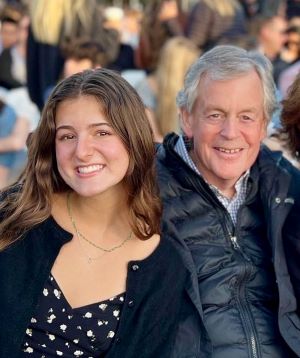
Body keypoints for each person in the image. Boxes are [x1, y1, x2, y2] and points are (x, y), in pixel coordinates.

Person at [0, 68, 192, 357]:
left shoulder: (163, 265)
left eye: (101, 132)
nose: (82, 151)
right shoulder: (15, 216)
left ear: (133, 137)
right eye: (67, 136)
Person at [156, 45, 300, 356]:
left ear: (263, 125)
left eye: (247, 117)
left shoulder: (285, 185)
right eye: (215, 115)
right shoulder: (144, 191)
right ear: (187, 119)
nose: (230, 132)